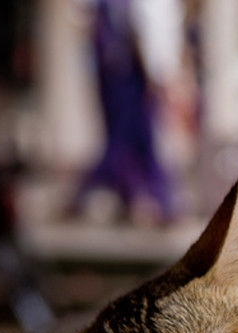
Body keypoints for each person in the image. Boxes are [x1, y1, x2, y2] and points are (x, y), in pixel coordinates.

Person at [67, 0, 182, 225]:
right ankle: (152, 199)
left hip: (128, 68)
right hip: (122, 69)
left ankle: (147, 198)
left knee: (133, 139)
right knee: (127, 139)